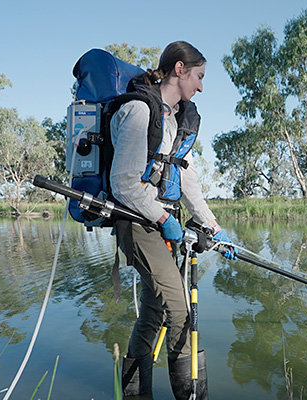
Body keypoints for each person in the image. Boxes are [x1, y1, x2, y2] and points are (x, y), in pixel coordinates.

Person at [110, 41, 235, 400]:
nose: (201, 86)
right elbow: (124, 183)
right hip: (136, 221)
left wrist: (213, 228)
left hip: (159, 222)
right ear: (178, 69)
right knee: (180, 314)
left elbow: (186, 179)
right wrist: (164, 218)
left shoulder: (177, 119)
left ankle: (134, 395)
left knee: (153, 311)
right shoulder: (139, 111)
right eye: (198, 76)